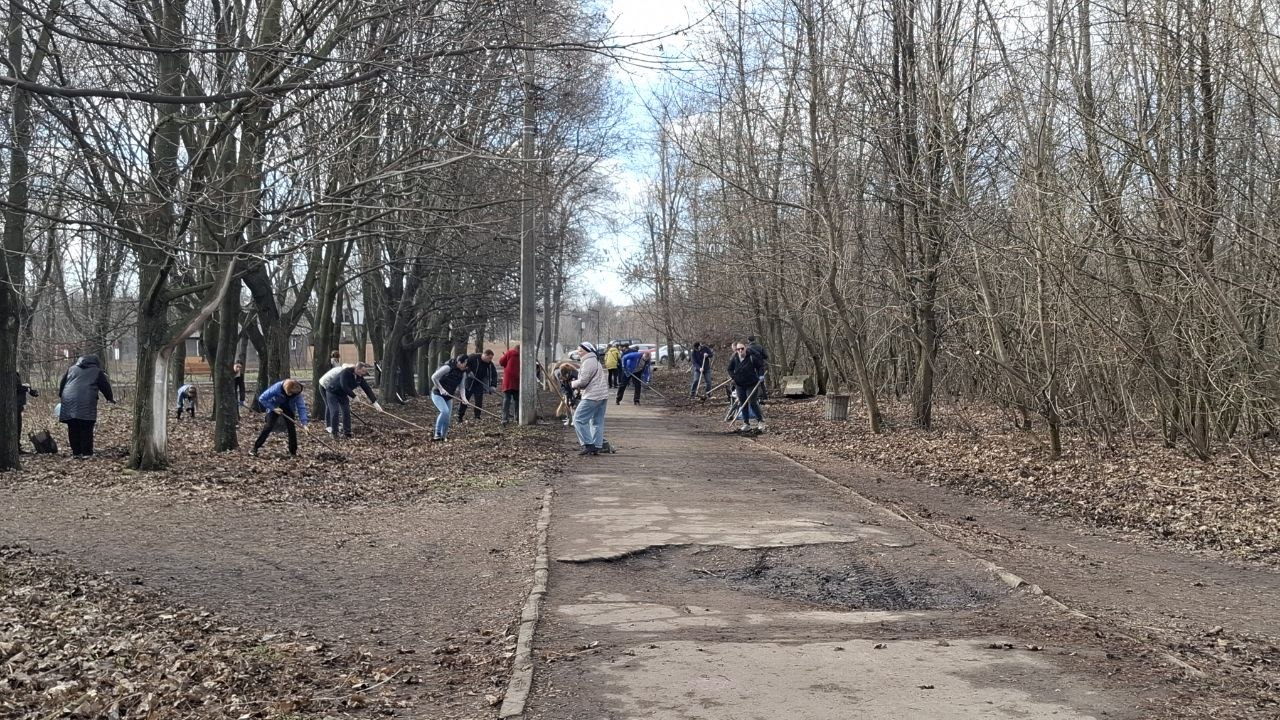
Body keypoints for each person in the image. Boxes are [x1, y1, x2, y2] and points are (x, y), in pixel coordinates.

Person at [57, 354, 115, 459]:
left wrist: (62, 395)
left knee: (73, 426)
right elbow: (105, 386)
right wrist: (109, 398)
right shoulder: (97, 371)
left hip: (68, 401)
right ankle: (86, 453)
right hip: (86, 402)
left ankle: (76, 452)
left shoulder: (71, 369)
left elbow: (62, 383)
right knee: (86, 427)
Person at [319, 362, 381, 438]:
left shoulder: (360, 377)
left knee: (346, 411)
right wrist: (354, 396)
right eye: (362, 372)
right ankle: (334, 433)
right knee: (335, 411)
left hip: (343, 394)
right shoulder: (346, 372)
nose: (362, 374)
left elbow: (367, 389)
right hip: (332, 392)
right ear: (357, 369)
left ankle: (347, 432)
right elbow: (344, 385)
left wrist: (374, 402)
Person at [251, 378, 308, 456]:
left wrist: (304, 424)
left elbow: (301, 407)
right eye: (290, 393)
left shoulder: (297, 393)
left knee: (291, 428)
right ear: (286, 389)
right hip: (274, 406)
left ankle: (293, 452)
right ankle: (255, 448)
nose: (292, 395)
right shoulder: (277, 388)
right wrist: (273, 408)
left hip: (288, 407)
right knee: (268, 426)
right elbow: (262, 398)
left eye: (294, 393)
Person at [571, 342, 609, 455]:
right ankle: (597, 446)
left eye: (581, 350)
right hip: (602, 395)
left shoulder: (588, 362)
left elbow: (583, 381)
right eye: (578, 350)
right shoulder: (595, 361)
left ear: (587, 351)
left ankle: (588, 444)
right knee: (597, 421)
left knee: (578, 419)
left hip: (592, 396)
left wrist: (572, 384)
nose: (578, 352)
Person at [728, 342, 766, 432]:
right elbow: (729, 369)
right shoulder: (735, 358)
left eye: (742, 348)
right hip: (739, 384)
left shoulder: (752, 357)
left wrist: (761, 375)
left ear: (745, 348)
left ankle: (761, 421)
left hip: (751, 383)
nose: (740, 350)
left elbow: (760, 366)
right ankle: (746, 423)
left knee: (752, 402)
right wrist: (734, 377)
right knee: (743, 403)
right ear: (736, 350)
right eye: (738, 349)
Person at [430, 354, 470, 441]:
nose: (466, 366)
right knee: (445, 411)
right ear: (459, 362)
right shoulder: (448, 367)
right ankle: (437, 434)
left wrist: (464, 398)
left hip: (448, 396)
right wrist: (441, 389)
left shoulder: (463, 372)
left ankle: (443, 436)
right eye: (465, 364)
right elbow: (434, 377)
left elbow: (462, 387)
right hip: (437, 394)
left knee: (447, 417)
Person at [457, 349, 498, 423]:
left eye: (491, 358)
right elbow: (464, 365)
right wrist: (469, 372)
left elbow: (494, 374)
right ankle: (460, 416)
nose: (490, 360)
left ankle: (477, 416)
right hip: (469, 382)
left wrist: (493, 385)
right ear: (485, 355)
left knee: (479, 400)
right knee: (465, 399)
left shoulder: (489, 363)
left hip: (479, 383)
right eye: (489, 358)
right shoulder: (473, 357)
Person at [498, 345, 521, 423]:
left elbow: (501, 362)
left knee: (507, 399)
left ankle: (505, 418)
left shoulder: (510, 352)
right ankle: (517, 417)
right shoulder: (523, 356)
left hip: (508, 380)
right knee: (517, 400)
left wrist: (504, 356)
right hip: (518, 380)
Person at [554, 361, 580, 426]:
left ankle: (574, 419)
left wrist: (574, 396)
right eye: (563, 377)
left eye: (565, 376)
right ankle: (568, 419)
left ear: (568, 373)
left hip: (575, 387)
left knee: (574, 404)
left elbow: (577, 387)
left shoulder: (575, 374)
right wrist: (565, 395)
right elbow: (562, 386)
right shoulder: (558, 374)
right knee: (567, 403)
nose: (564, 378)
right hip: (566, 387)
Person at [747, 335, 769, 400]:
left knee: (753, 381)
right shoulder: (760, 347)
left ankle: (756, 396)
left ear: (748, 341)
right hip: (760, 366)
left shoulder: (748, 348)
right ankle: (764, 396)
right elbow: (766, 356)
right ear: (754, 340)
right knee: (761, 381)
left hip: (752, 367)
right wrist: (761, 358)